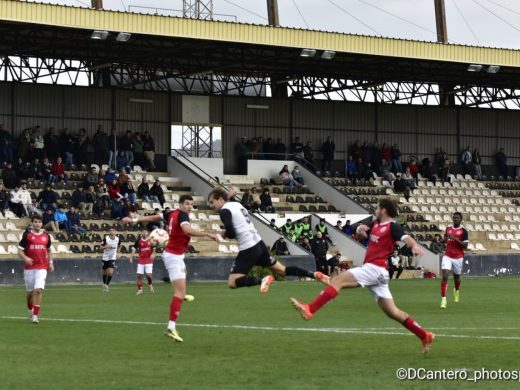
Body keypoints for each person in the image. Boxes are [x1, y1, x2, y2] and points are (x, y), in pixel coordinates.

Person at [290, 199, 435, 355]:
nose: (376, 209)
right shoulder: (376, 224)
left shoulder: (392, 227)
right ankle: (424, 335)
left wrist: (413, 246)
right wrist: (360, 230)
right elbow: (361, 237)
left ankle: (310, 309)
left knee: (337, 280)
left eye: (378, 207)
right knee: (392, 312)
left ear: (384, 210)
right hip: (377, 272)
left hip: (375, 269)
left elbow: (407, 239)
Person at [123, 195, 219, 343]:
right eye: (187, 204)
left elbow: (155, 217)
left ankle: (182, 294)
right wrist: (208, 234)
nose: (189, 207)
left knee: (184, 275)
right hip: (173, 256)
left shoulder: (171, 213)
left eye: (191, 204)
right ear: (180, 204)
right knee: (179, 293)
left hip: (176, 255)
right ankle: (171, 327)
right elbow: (186, 230)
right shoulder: (182, 215)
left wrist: (136, 219)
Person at [207, 187, 330, 292]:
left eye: (212, 202)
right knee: (283, 270)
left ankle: (263, 280)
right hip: (259, 245)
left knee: (232, 282)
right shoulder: (237, 205)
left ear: (220, 199)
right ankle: (314, 274)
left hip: (249, 248)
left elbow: (232, 232)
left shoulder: (224, 211)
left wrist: (223, 234)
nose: (210, 206)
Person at [18, 216, 53, 324]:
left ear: (42, 224)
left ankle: (35, 316)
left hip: (42, 267)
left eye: (39, 222)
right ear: (32, 223)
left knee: (38, 290)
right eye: (35, 222)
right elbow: (19, 251)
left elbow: (49, 250)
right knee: (30, 293)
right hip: (29, 268)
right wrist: (26, 258)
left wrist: (50, 262)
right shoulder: (27, 236)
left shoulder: (46, 236)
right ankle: (30, 310)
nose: (37, 224)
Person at [440, 212, 469, 309]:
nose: (455, 219)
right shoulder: (448, 229)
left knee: (457, 278)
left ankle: (456, 290)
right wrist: (441, 241)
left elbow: (465, 246)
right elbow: (446, 239)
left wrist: (455, 239)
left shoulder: (464, 231)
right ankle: (443, 300)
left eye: (457, 218)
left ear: (460, 220)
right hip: (447, 256)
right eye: (454, 217)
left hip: (458, 257)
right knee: (445, 275)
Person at [130, 230, 155, 295]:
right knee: (139, 276)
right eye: (143, 232)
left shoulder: (151, 240)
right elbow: (134, 249)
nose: (144, 233)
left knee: (149, 275)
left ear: (147, 233)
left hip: (148, 260)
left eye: (145, 232)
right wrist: (131, 257)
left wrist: (153, 254)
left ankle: (150, 284)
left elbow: (154, 249)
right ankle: (140, 289)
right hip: (141, 260)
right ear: (141, 233)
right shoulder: (138, 241)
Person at [100, 227, 120, 292]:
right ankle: (104, 283)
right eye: (110, 230)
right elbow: (100, 247)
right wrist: (106, 246)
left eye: (113, 230)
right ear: (109, 232)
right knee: (105, 272)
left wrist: (118, 253)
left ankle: (107, 285)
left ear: (115, 232)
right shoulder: (106, 239)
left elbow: (119, 245)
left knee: (110, 272)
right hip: (105, 256)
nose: (112, 231)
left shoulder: (118, 239)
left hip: (112, 257)